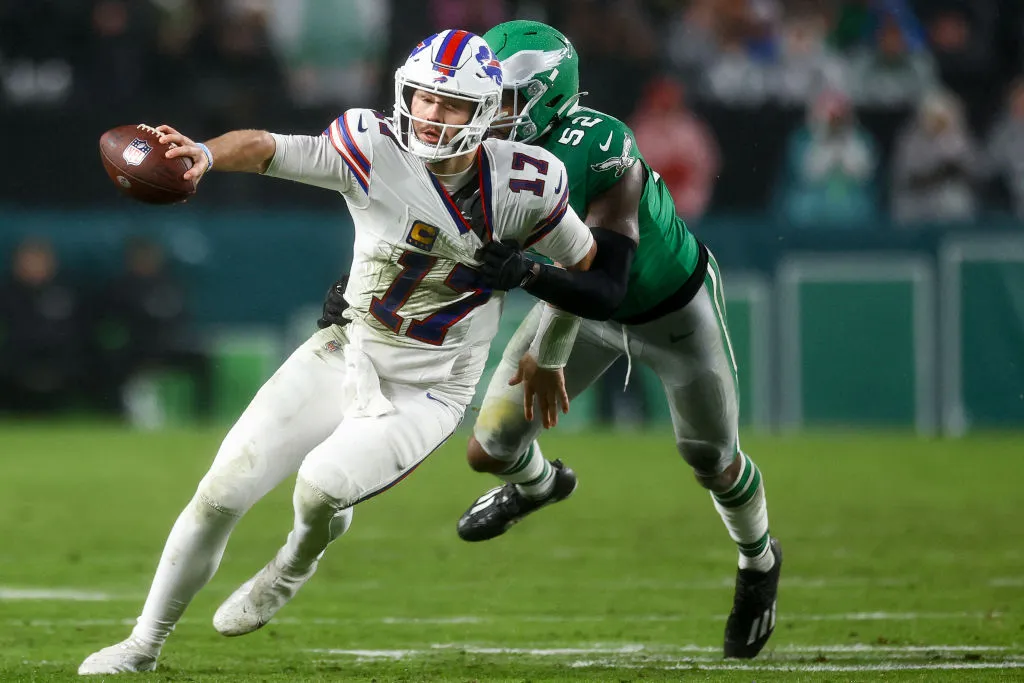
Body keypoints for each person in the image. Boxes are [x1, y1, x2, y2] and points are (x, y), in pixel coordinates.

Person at [78, 29, 597, 676]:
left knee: (320, 487)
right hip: (345, 347)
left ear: (486, 113)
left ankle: (296, 557)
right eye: (425, 99)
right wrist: (204, 156)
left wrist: (542, 323)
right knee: (219, 490)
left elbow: (582, 263)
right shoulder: (371, 146)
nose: (433, 117)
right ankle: (142, 644)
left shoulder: (527, 182)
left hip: (429, 387)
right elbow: (270, 148)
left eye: (453, 105)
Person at [349, 19, 780, 659]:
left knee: (710, 459)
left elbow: (599, 282)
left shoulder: (601, 145)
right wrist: (358, 302)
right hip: (569, 299)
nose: (491, 115)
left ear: (550, 99)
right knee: (489, 446)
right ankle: (540, 485)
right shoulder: (477, 152)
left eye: (508, 101)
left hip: (667, 308)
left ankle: (758, 562)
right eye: (485, 97)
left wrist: (548, 350)